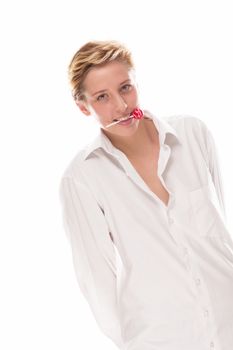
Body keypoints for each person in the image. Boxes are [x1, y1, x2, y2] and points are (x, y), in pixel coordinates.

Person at [59, 40, 233, 350]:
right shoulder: (82, 178)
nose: (121, 106)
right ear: (83, 106)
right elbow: (97, 281)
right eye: (102, 97)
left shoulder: (193, 135)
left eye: (125, 88)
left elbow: (222, 228)